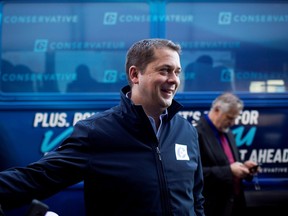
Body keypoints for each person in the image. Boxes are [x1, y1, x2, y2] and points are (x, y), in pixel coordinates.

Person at [0, 39, 205, 216]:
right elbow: (38, 177)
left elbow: (196, 199)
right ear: (135, 75)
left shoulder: (187, 131)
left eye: (177, 72)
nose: (174, 80)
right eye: (164, 70)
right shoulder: (97, 132)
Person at [195, 92, 259, 216]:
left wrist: (244, 167)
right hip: (212, 208)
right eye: (230, 118)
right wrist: (229, 171)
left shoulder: (226, 131)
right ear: (217, 110)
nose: (233, 123)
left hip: (233, 204)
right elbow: (194, 174)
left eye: (235, 118)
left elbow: (232, 163)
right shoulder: (196, 133)